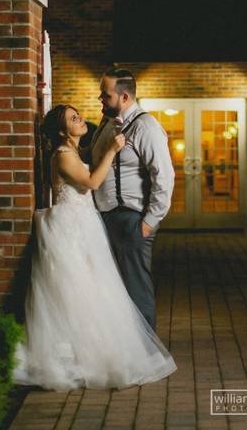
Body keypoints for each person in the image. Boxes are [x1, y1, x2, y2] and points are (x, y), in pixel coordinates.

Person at [12, 104, 177, 391]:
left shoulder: (74, 151)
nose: (79, 119)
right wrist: (112, 150)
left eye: (78, 115)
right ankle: (76, 357)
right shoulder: (63, 155)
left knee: (91, 288)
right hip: (71, 227)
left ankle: (86, 352)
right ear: (63, 131)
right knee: (77, 290)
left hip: (82, 224)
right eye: (72, 119)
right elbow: (91, 181)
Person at [86, 68, 175, 330]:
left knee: (136, 288)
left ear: (124, 97)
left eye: (105, 95)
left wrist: (149, 222)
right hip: (104, 216)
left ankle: (147, 353)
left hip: (131, 218)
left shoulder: (146, 127)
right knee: (113, 288)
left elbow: (164, 177)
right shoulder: (106, 123)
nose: (100, 99)